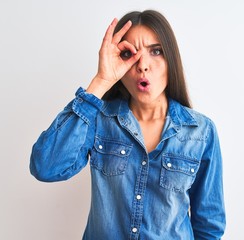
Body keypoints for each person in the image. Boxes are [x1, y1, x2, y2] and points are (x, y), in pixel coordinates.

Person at [30, 9, 226, 240]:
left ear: (171, 59)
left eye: (156, 51)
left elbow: (209, 225)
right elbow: (46, 167)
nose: (143, 65)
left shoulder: (201, 132)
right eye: (128, 54)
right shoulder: (99, 120)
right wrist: (101, 82)